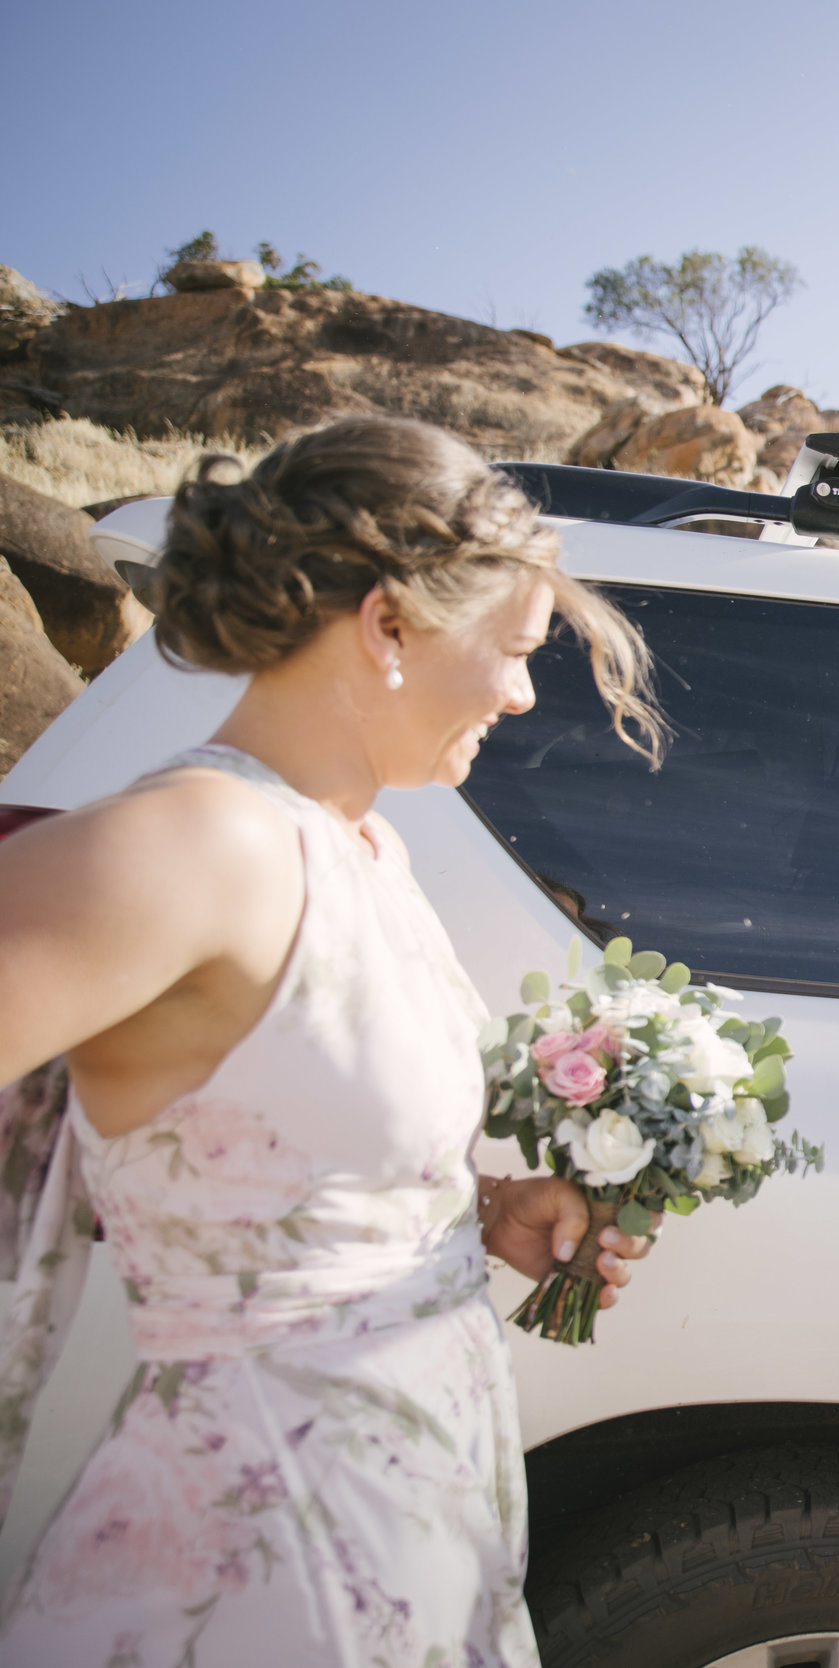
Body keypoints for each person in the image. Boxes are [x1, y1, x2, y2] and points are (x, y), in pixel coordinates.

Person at [0, 416, 668, 1666]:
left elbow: (263, 1135)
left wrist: (473, 1214)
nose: (526, 691)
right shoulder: (204, 844)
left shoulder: (364, 847)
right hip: (254, 1549)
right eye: (517, 649)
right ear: (390, 624)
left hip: (409, 1511)